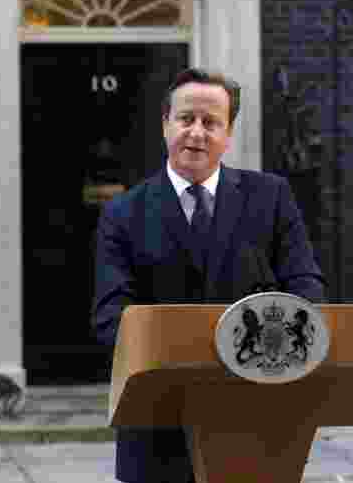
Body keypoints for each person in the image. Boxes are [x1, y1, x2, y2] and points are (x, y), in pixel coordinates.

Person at [91, 67, 326, 483]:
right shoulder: (122, 214)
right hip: (157, 427)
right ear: (165, 125)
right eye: (186, 119)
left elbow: (306, 291)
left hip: (257, 419)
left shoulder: (271, 198)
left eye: (211, 122)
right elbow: (111, 315)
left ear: (228, 134)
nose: (197, 133)